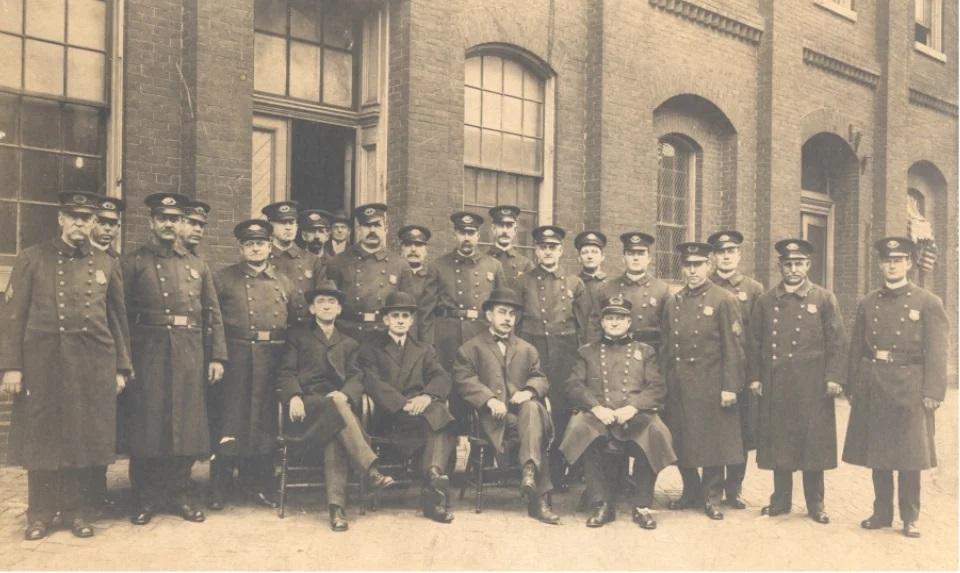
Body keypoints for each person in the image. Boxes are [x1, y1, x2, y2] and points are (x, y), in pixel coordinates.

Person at [1, 191, 132, 541]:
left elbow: (117, 321)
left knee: (82, 439)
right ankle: (40, 514)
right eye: (72, 216)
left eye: (86, 218)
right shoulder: (33, 258)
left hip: (91, 365)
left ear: (93, 223)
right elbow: (13, 317)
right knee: (41, 438)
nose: (79, 223)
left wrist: (121, 368)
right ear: (60, 219)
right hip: (43, 365)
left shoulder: (106, 263)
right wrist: (11, 367)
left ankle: (78, 512)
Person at [119, 192, 226, 526]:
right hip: (147, 350)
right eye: (162, 218)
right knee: (148, 423)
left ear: (182, 223)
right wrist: (124, 361)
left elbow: (213, 313)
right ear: (152, 222)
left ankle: (180, 493)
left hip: (189, 351)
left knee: (184, 423)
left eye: (174, 219)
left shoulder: (197, 265)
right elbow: (119, 315)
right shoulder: (133, 261)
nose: (169, 224)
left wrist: (217, 356)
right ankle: (145, 497)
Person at [842, 237, 948, 538]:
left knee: (910, 455)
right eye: (888, 260)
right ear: (880, 264)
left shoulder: (927, 302)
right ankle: (881, 512)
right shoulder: (868, 302)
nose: (893, 265)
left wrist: (933, 392)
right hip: (875, 382)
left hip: (910, 386)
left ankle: (910, 516)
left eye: (899, 260)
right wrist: (853, 385)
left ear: (909, 264)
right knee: (879, 453)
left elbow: (938, 351)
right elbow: (856, 348)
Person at [276, 281, 395, 532]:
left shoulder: (349, 342)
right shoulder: (298, 337)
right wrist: (294, 396)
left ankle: (336, 510)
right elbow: (286, 372)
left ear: (339, 309)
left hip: (335, 410)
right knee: (335, 411)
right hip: (307, 409)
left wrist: (344, 394)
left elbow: (356, 376)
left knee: (335, 430)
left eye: (332, 302)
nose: (327, 306)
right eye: (321, 301)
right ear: (311, 308)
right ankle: (370, 470)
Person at [747, 238, 846, 524]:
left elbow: (837, 342)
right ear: (780, 266)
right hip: (777, 382)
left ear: (808, 265)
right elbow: (754, 343)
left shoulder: (824, 298)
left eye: (798, 263)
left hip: (813, 385)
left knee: (813, 443)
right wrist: (754, 377)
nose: (793, 269)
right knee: (780, 442)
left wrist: (834, 378)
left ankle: (816, 504)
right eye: (788, 264)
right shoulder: (767, 300)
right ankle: (780, 500)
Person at [560, 295, 676, 529]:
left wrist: (633, 407)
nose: (614, 323)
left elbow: (657, 387)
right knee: (582, 429)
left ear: (628, 322)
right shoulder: (587, 352)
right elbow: (573, 385)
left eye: (620, 318)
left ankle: (642, 505)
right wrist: (595, 407)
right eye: (609, 318)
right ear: (602, 323)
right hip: (599, 414)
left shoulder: (645, 352)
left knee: (656, 432)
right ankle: (601, 504)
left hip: (634, 415)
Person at [453, 288, 560, 524]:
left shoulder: (527, 348)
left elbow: (540, 377)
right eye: (502, 312)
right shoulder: (471, 348)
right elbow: (464, 380)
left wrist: (528, 391)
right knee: (535, 426)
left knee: (532, 410)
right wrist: (489, 399)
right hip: (491, 418)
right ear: (489, 315)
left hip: (522, 414)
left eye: (512, 314)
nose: (508, 318)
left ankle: (530, 472)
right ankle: (536, 495)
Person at [208, 220, 293, 510]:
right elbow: (213, 322)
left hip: (273, 358)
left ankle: (259, 484)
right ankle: (219, 487)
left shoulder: (283, 281)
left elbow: (297, 321)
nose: (255, 249)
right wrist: (218, 357)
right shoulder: (223, 279)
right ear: (241, 248)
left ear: (270, 247)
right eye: (249, 244)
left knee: (264, 423)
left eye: (260, 243)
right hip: (238, 357)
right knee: (230, 419)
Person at [356, 291, 457, 523]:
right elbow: (372, 382)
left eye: (405, 315)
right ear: (386, 320)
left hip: (421, 412)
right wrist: (403, 404)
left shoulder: (424, 349)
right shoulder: (371, 348)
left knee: (439, 413)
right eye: (395, 315)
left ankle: (432, 478)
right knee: (441, 418)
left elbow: (442, 377)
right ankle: (433, 481)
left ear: (412, 321)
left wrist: (426, 397)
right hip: (389, 415)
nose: (401, 320)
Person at [661, 242, 745, 521]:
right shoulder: (674, 301)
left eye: (698, 264)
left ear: (708, 266)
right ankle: (690, 491)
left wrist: (730, 387)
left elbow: (734, 347)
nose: (693, 270)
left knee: (712, 442)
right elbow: (665, 345)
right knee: (681, 440)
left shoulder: (723, 299)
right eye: (688, 265)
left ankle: (711, 497)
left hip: (711, 383)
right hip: (680, 383)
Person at [515, 225, 595, 490]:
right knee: (533, 408)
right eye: (542, 247)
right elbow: (514, 324)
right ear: (536, 251)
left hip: (564, 354)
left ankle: (559, 472)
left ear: (561, 251)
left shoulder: (574, 283)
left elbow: (585, 328)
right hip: (532, 351)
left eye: (552, 247)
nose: (547, 252)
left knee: (561, 411)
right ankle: (530, 468)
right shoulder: (522, 281)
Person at [706, 230, 765, 510]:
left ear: (739, 255)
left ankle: (735, 488)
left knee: (741, 432)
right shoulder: (705, 285)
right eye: (721, 251)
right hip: (713, 371)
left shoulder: (753, 289)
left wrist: (755, 375)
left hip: (742, 370)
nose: (726, 256)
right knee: (715, 431)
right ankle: (712, 489)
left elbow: (758, 336)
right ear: (714, 256)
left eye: (731, 251)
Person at [83, 195, 126, 513]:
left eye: (113, 224)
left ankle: (96, 492)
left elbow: (119, 315)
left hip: (105, 356)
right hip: (74, 355)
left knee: (100, 426)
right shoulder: (77, 257)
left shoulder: (114, 261)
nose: (108, 229)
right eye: (102, 222)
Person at [325, 203, 415, 339]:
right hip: (348, 334)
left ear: (386, 229)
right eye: (367, 226)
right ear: (358, 229)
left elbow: (408, 307)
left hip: (385, 334)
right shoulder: (339, 262)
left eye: (377, 225)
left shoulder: (400, 264)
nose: (372, 230)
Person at [432, 211, 506, 372]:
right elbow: (426, 310)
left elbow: (502, 307)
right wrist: (427, 343)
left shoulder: (493, 265)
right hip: (447, 335)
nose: (466, 238)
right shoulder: (439, 265)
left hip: (480, 332)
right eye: (462, 233)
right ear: (455, 235)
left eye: (471, 233)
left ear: (478, 236)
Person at [596, 232, 670, 346]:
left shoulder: (661, 289)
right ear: (623, 258)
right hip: (616, 351)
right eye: (631, 253)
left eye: (640, 253)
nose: (635, 258)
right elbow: (595, 328)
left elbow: (668, 331)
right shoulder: (607, 289)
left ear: (649, 259)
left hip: (651, 354)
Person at [263, 201, 327, 328]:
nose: (288, 227)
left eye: (292, 222)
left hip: (304, 330)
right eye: (282, 223)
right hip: (272, 331)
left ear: (297, 226)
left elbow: (322, 298)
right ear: (270, 226)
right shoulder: (263, 260)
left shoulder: (312, 260)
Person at [398, 224, 440, 344]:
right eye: (408, 245)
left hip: (427, 340)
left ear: (426, 250)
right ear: (401, 249)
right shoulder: (394, 275)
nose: (413, 249)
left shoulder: (435, 277)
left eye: (419, 245)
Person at [486, 205, 535, 288]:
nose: (505, 231)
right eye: (501, 225)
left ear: (515, 230)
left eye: (509, 226)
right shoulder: (482, 261)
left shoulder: (526, 265)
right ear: (493, 229)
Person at [574, 230, 610, 311]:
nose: (590, 256)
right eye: (585, 252)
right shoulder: (573, 284)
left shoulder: (611, 284)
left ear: (602, 257)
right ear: (579, 258)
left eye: (594, 252)